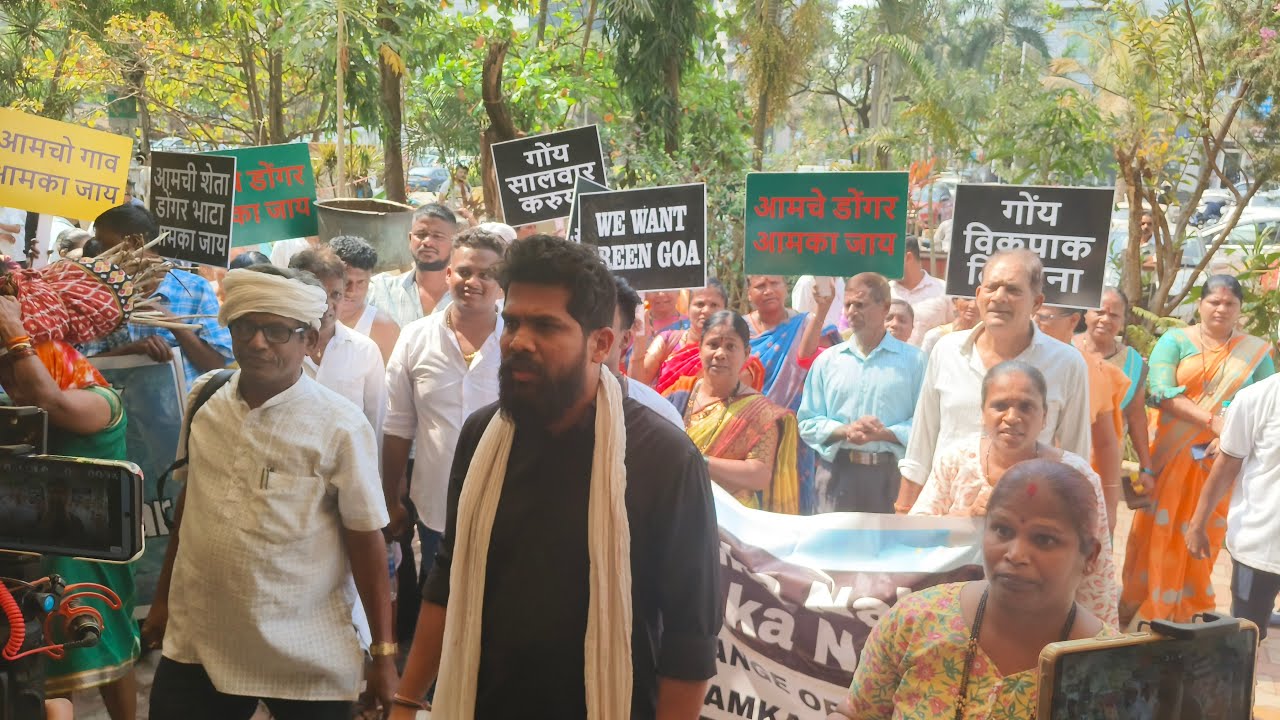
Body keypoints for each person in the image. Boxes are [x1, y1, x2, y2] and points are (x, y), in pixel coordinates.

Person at [390, 234, 721, 719]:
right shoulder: (482, 436)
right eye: (513, 322)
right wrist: (406, 700)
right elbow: (447, 578)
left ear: (600, 344)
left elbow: (690, 641)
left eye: (545, 326)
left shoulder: (664, 459)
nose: (518, 341)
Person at [144, 266, 396, 720]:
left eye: (277, 330)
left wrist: (383, 653)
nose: (258, 343)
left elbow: (366, 540)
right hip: (201, 634)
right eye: (246, 326)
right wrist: (162, 602)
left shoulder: (340, 426)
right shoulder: (206, 398)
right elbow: (190, 505)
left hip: (305, 648)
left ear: (310, 342)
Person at [828, 459, 1111, 720]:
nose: (1015, 553)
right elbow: (855, 713)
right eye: (1002, 530)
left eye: (1044, 539)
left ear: (1089, 558)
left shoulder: (1116, 667)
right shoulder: (915, 621)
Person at [0, 303, 138, 720]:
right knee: (46, 658)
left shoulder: (100, 400)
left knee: (104, 640)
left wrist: (14, 332)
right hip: (32, 544)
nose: (12, 382)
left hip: (91, 547)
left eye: (19, 370)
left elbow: (52, 403)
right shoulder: (15, 409)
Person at [910, 361, 1119, 626]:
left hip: (1045, 623)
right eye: (1000, 405)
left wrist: (1096, 644)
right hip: (957, 619)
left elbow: (1096, 574)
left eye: (1026, 406)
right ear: (982, 413)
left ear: (1044, 416)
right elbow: (915, 540)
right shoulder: (956, 461)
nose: (1011, 417)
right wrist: (964, 519)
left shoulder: (1074, 476)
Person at [1121, 274, 1275, 625]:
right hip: (1170, 458)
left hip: (1220, 464)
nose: (1221, 309)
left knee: (1205, 536)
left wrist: (1230, 433)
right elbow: (1159, 391)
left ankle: (1189, 609)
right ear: (1201, 305)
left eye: (1230, 303)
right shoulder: (1175, 341)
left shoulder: (1255, 351)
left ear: (1239, 309)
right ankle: (1150, 609)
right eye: (1214, 302)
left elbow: (1266, 402)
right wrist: (1214, 422)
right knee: (1157, 533)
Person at [897, 249, 1091, 512]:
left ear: (1037, 302)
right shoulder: (947, 351)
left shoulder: (1067, 363)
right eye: (992, 287)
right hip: (947, 519)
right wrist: (904, 511)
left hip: (1025, 523)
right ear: (978, 295)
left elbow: (1075, 458)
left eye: (1012, 290)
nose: (999, 297)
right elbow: (922, 443)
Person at [382, 227, 505, 590]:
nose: (473, 282)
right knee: (438, 603)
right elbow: (397, 424)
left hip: (504, 507)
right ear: (449, 273)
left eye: (487, 274)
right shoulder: (415, 337)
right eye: (465, 271)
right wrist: (392, 498)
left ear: (502, 283)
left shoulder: (519, 341)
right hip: (435, 509)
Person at [798, 274, 925, 514]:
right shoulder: (827, 361)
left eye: (861, 304)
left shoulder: (915, 362)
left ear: (884, 307)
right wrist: (846, 430)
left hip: (892, 477)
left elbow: (925, 425)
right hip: (837, 474)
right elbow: (807, 422)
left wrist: (884, 434)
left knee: (889, 549)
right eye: (848, 305)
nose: (852, 311)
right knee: (833, 549)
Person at [78, 204, 233, 388]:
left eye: (105, 245)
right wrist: (131, 350)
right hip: (127, 412)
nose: (100, 256)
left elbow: (216, 364)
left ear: (135, 243)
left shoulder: (194, 289)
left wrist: (167, 319)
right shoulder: (105, 295)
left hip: (189, 413)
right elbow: (86, 365)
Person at [666, 310, 802, 513]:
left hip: (733, 522)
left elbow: (758, 475)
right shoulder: (679, 394)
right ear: (700, 349)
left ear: (746, 354)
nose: (720, 354)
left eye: (731, 346)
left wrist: (699, 462)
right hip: (678, 508)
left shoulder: (761, 412)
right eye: (713, 345)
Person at [1187, 372, 1280, 640]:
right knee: (1246, 639)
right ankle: (1245, 682)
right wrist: (1198, 524)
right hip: (1259, 547)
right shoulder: (1256, 398)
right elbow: (1226, 465)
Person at [1035, 304, 1127, 531]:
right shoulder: (1012, 360)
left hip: (1066, 495)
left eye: (1044, 317)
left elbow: (1106, 444)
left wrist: (1110, 508)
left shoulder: (1093, 370)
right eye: (1032, 314)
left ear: (1073, 321)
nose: (1035, 322)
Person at [288, 247, 387, 437]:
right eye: (319, 294)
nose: (328, 304)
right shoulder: (278, 347)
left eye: (336, 295)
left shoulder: (365, 351)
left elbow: (376, 423)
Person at [1073, 287, 1155, 504]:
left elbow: (1136, 418)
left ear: (1123, 320)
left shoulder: (1133, 363)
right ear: (1086, 313)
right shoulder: (1065, 349)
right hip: (1065, 455)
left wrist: (1146, 467)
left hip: (1106, 463)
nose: (1105, 319)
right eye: (1099, 312)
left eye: (1114, 315)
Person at [744, 274, 841, 412]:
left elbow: (830, 372)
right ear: (749, 293)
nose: (768, 291)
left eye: (774, 283)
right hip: (752, 420)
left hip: (800, 422)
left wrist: (822, 309)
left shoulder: (807, 325)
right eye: (760, 286)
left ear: (786, 287)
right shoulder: (739, 330)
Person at [629, 281, 740, 391]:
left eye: (714, 305)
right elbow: (637, 383)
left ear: (725, 311)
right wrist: (639, 342)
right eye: (700, 304)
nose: (706, 310)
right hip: (667, 408)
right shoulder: (668, 340)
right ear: (688, 308)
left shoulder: (732, 349)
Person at [608, 275, 685, 427]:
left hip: (678, 406)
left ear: (678, 292)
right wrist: (639, 340)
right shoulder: (628, 326)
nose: (661, 295)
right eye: (655, 290)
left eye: (667, 289)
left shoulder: (690, 328)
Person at [367, 203, 459, 328]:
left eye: (437, 236)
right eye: (421, 235)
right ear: (410, 239)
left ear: (454, 243)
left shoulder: (467, 296)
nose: (427, 242)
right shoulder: (380, 290)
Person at [327, 235, 401, 362]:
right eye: (346, 282)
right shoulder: (308, 319)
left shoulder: (384, 329)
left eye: (360, 283)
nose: (352, 291)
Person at [889, 236, 949, 345]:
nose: (885, 264)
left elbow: (956, 328)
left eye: (889, 258)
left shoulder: (943, 290)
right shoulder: (884, 292)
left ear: (908, 257)